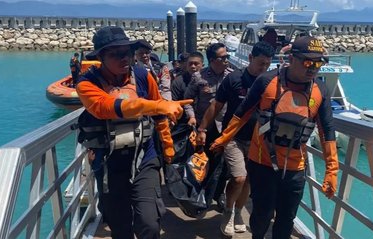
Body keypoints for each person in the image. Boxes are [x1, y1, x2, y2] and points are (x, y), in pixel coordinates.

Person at [210, 36, 338, 239]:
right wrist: (223, 139)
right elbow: (242, 113)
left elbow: (327, 130)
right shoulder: (267, 81)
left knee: (287, 218)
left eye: (318, 63)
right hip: (262, 162)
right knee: (262, 214)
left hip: (296, 167)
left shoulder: (320, 90)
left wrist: (332, 170)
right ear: (291, 58)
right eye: (307, 62)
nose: (313, 68)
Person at [76, 26, 192, 239]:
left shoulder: (141, 75)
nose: (124, 58)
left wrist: (166, 145)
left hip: (144, 157)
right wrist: (156, 106)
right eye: (115, 54)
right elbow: (106, 107)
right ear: (100, 56)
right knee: (120, 226)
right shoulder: (86, 84)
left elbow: (158, 113)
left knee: (150, 223)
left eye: (127, 53)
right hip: (109, 163)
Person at [197, 41, 275, 237]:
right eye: (260, 63)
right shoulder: (234, 79)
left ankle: (239, 212)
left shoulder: (271, 82)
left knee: (248, 180)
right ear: (250, 58)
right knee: (238, 177)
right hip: (234, 137)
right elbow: (216, 105)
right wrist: (202, 128)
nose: (263, 68)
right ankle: (229, 212)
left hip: (258, 140)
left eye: (267, 64)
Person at [183, 42, 233, 211]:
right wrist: (191, 118)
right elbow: (188, 101)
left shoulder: (232, 76)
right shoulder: (199, 77)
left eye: (227, 56)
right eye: (223, 57)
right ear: (212, 60)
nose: (227, 60)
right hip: (204, 127)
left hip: (224, 127)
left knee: (223, 164)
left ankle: (217, 195)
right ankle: (198, 194)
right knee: (202, 162)